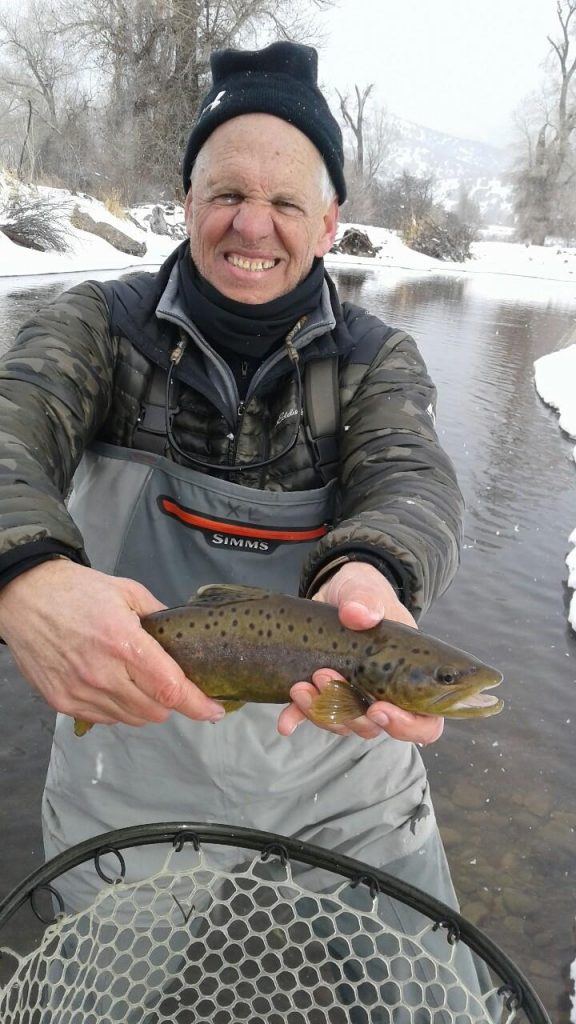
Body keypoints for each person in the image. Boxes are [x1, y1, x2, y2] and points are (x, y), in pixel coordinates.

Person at [0, 39, 476, 1012]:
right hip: (130, 750)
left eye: (287, 201)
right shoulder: (97, 328)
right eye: (225, 192)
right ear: (186, 201)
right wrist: (26, 571)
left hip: (345, 778)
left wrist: (376, 573)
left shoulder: (373, 364)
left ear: (330, 220)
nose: (250, 224)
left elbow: (410, 481)